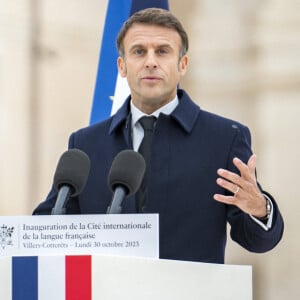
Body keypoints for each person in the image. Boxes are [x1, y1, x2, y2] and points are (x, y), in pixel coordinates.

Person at [33, 8, 284, 264]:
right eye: (139, 51)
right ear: (122, 66)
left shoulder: (224, 139)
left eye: (162, 51)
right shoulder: (86, 144)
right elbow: (50, 226)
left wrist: (260, 209)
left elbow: (256, 241)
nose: (151, 61)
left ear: (182, 64)